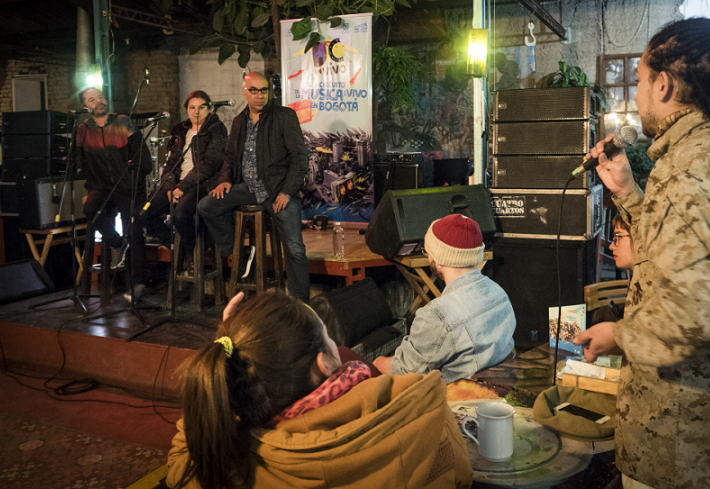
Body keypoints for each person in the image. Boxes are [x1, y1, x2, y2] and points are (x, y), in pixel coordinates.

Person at [575, 18, 710, 489]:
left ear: (664, 83)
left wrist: (620, 333)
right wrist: (628, 193)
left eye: (638, 81)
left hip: (684, 453)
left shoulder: (690, 167)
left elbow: (704, 313)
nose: (635, 97)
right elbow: (677, 254)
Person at [166, 291, 472, 489]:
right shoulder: (420, 406)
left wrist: (236, 361)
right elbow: (461, 475)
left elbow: (181, 460)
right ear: (323, 363)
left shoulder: (227, 463)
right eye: (328, 337)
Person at [198, 72, 310, 301]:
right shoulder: (239, 120)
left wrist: (287, 192)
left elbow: (300, 158)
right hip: (247, 188)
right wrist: (225, 180)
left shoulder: (284, 116)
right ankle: (240, 255)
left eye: (264, 90)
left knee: (295, 248)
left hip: (277, 189)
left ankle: (300, 306)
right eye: (254, 91)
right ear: (244, 92)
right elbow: (229, 155)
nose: (260, 95)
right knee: (207, 205)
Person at [373, 214, 516, 383]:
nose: (428, 257)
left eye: (428, 252)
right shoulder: (499, 292)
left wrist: (376, 362)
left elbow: (404, 371)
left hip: (455, 401)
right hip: (495, 392)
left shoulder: (437, 314)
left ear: (439, 259)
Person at [76, 87, 152, 302]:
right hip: (101, 186)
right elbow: (83, 164)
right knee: (90, 208)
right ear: (86, 107)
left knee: (134, 227)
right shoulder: (83, 129)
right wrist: (90, 190)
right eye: (92, 99)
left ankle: (137, 284)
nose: (98, 100)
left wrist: (134, 183)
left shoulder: (122, 121)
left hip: (128, 186)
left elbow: (143, 159)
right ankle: (117, 244)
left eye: (100, 96)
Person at [141, 91, 227, 264]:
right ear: (187, 110)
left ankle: (192, 255)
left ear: (210, 109)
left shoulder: (216, 129)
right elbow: (171, 162)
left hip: (202, 183)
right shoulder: (180, 130)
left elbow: (209, 164)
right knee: (144, 213)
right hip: (177, 183)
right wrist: (169, 186)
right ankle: (177, 247)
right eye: (192, 107)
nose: (196, 112)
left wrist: (182, 187)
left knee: (179, 216)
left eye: (202, 107)